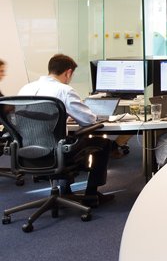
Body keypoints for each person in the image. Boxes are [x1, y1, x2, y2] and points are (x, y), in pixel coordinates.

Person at [17, 54, 114, 206]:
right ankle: (91, 194)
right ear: (68, 72)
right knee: (102, 143)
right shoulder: (64, 90)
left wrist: (61, 117)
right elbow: (88, 120)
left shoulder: (26, 88)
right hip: (54, 152)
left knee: (65, 140)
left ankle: (65, 191)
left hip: (25, 150)